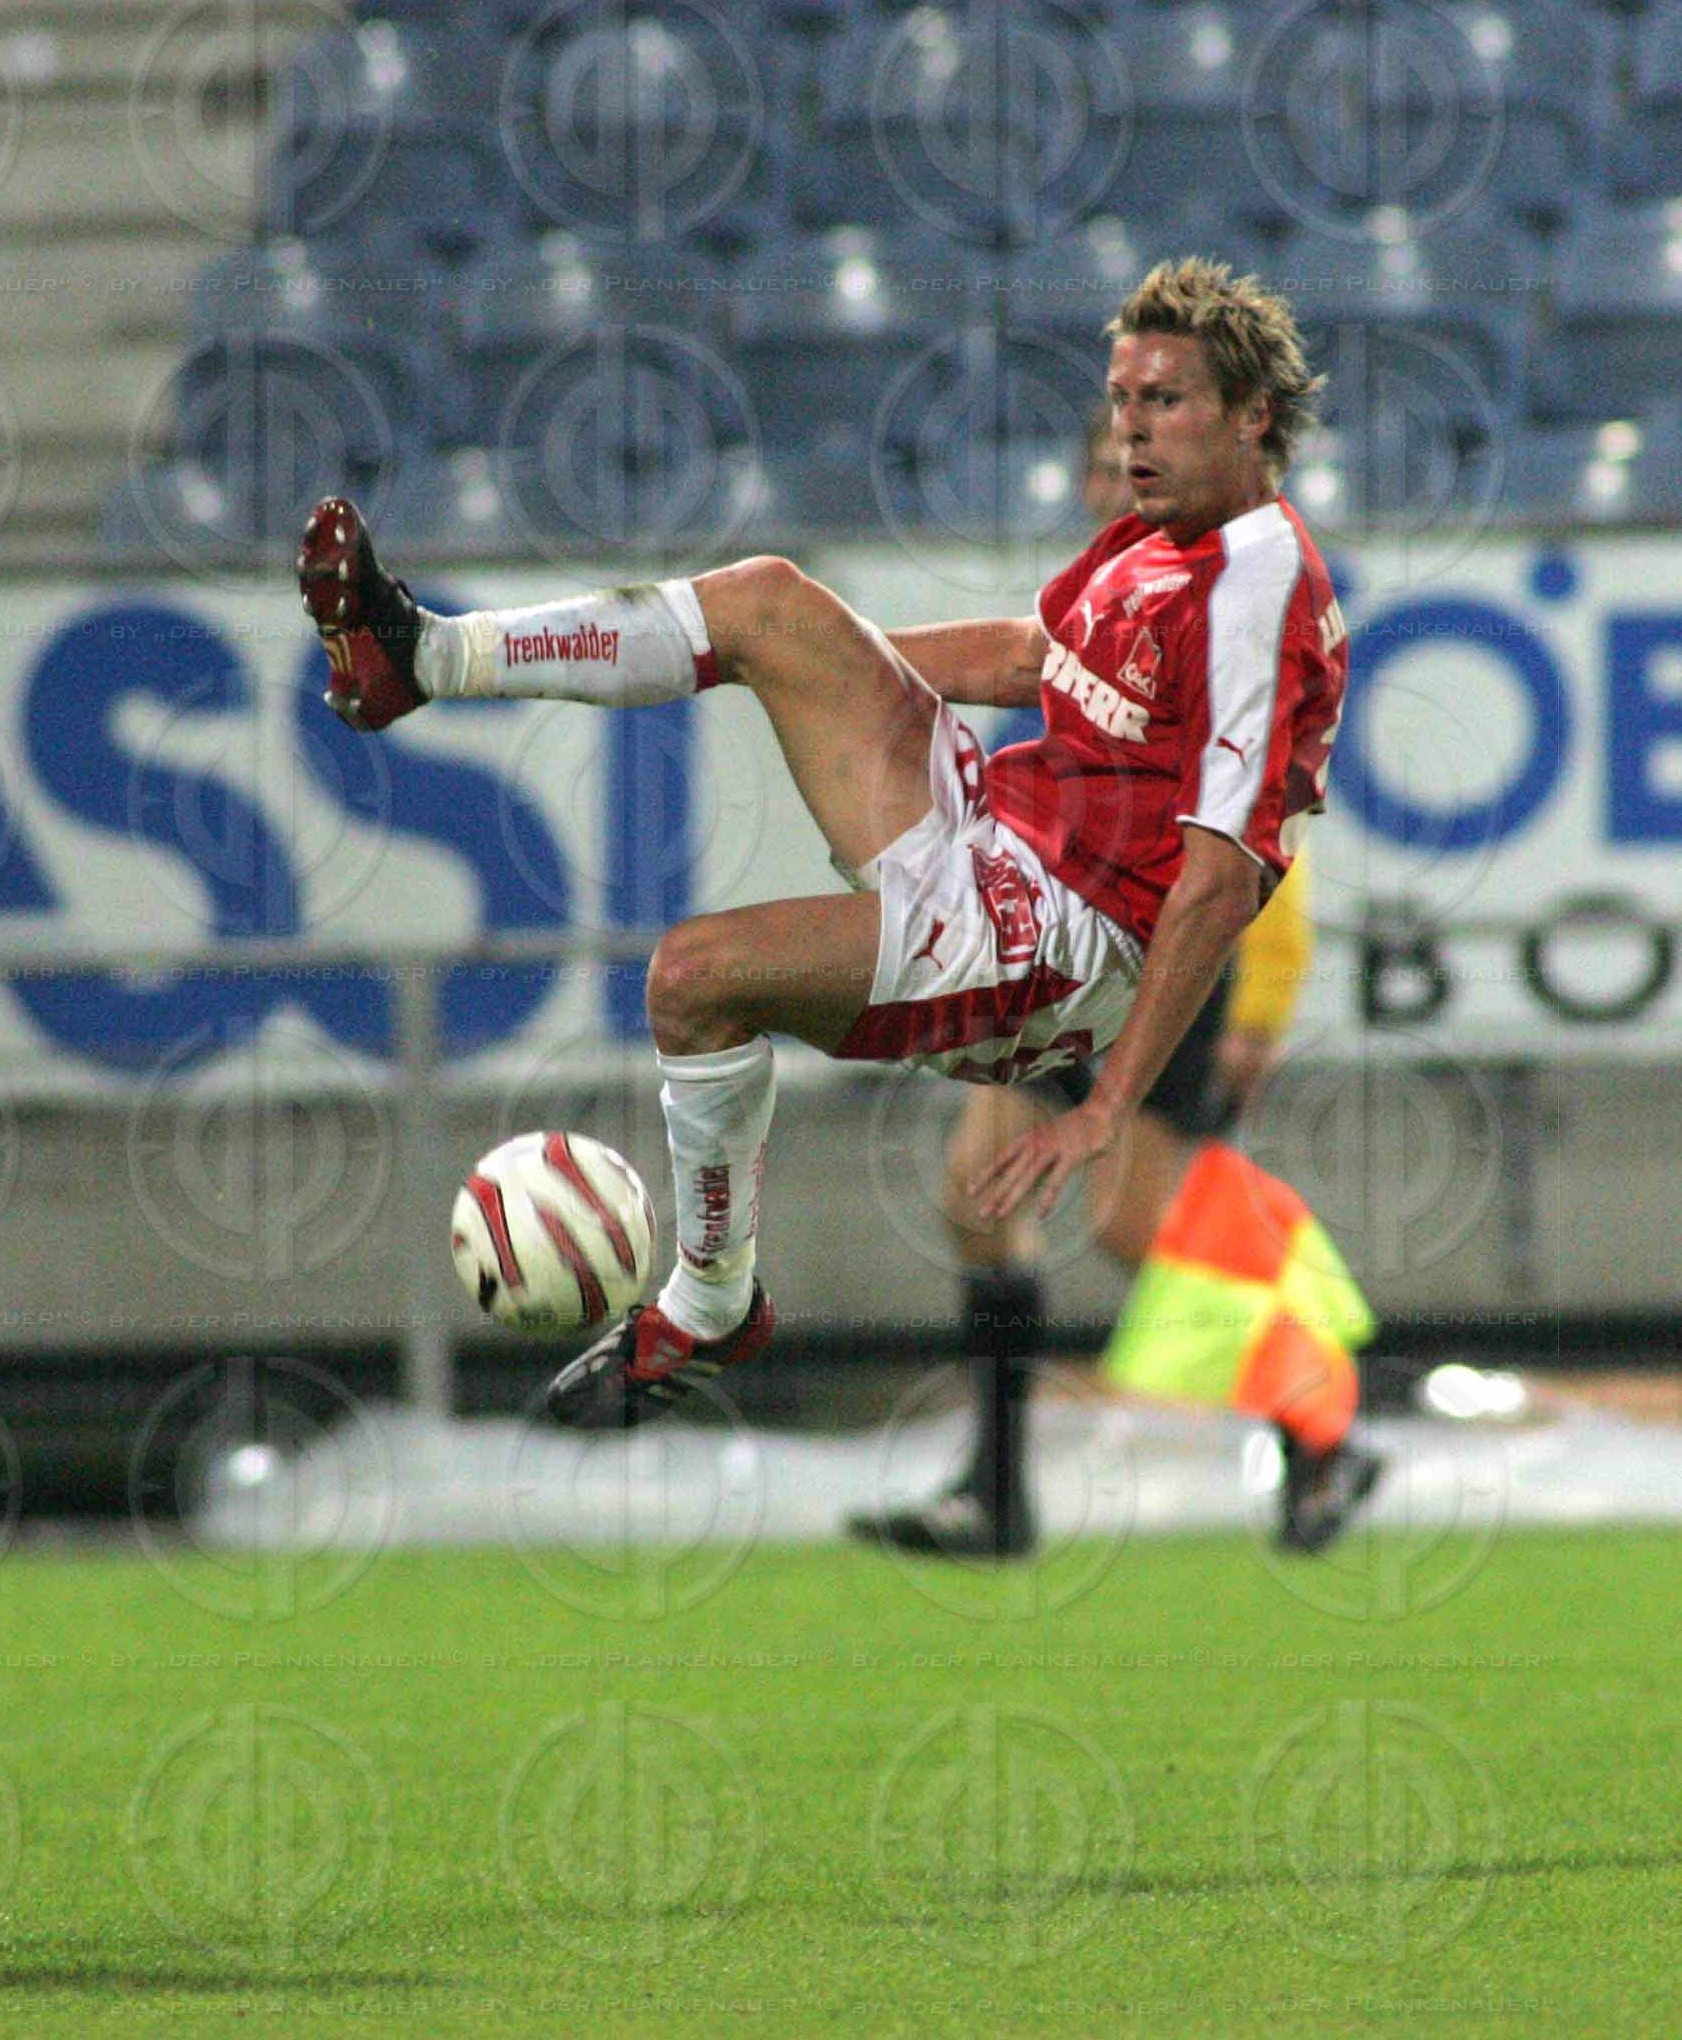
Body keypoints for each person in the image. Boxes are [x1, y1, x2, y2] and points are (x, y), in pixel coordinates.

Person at [299, 257, 1353, 1439]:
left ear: (1254, 414)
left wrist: (1105, 1106)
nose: (1131, 430)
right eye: (1122, 399)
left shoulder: (1263, 584)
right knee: (766, 604)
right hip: (993, 841)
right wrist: (804, 660)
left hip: (1054, 945)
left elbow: (1217, 881)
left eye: (1165, 401)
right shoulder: (1151, 544)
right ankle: (422, 655)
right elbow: (1024, 660)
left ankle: (709, 1303)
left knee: (694, 983)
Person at [844, 414, 1381, 1561]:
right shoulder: (1096, 604)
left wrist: (1264, 992)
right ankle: (997, 1491)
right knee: (982, 1192)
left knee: (1141, 1227)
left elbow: (1263, 808)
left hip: (1173, 948)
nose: (1111, 485)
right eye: (1098, 466)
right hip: (1073, 935)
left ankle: (1316, 1421)